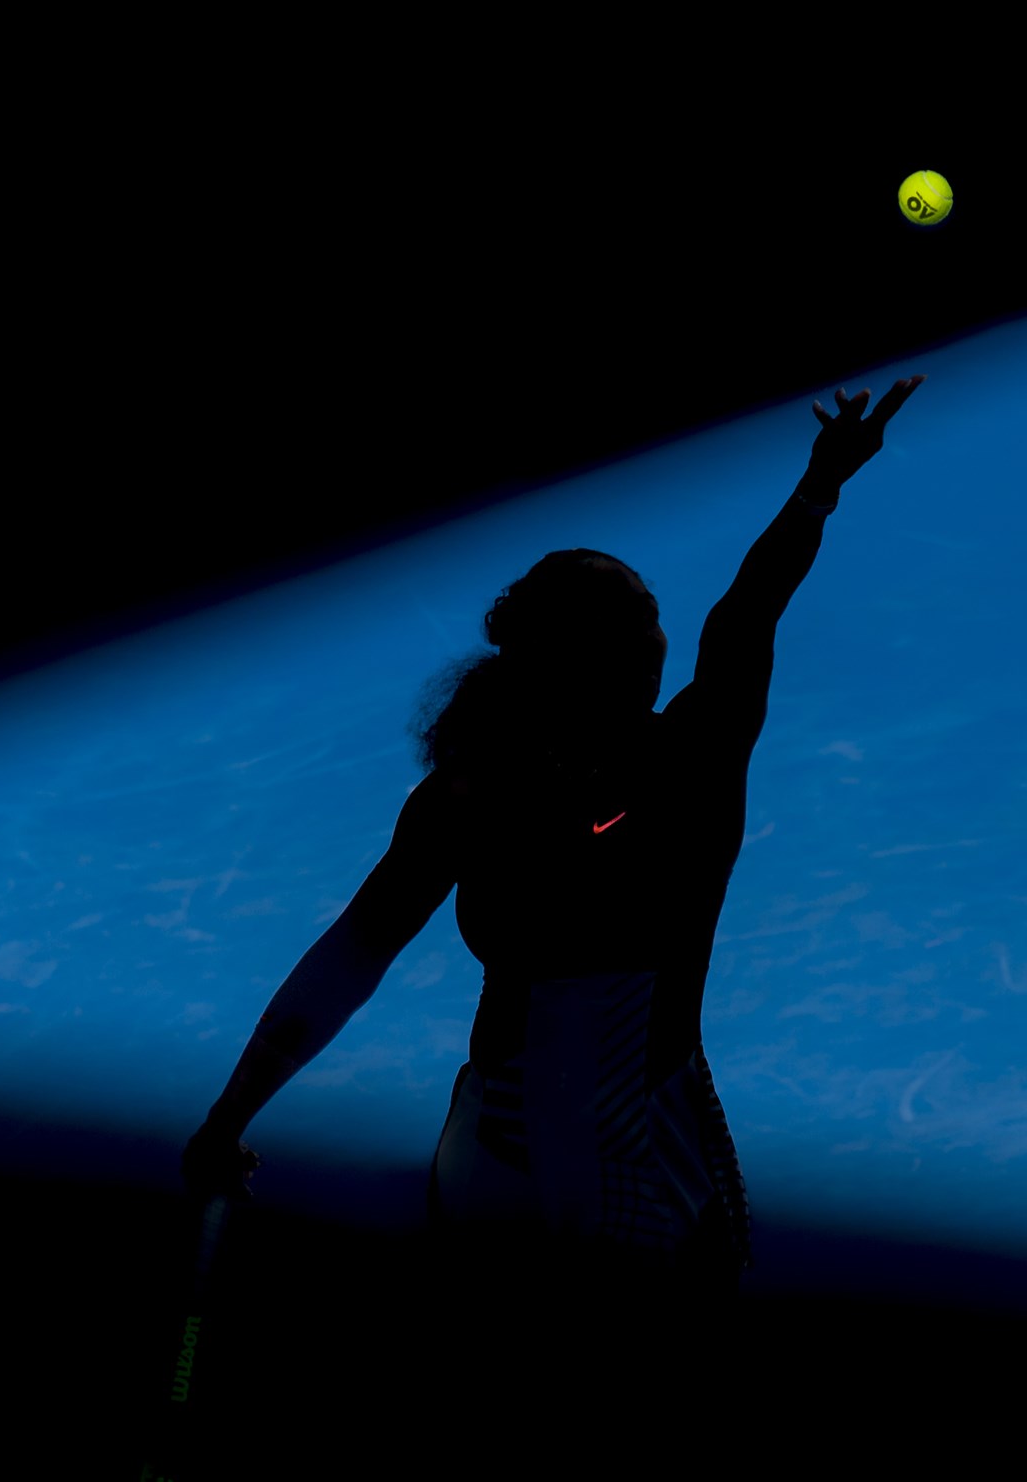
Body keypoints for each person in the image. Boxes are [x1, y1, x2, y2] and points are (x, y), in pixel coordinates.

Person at [180, 375, 924, 1446]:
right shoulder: (686, 761)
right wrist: (820, 486)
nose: (663, 638)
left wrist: (228, 1115)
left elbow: (350, 957)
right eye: (641, 625)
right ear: (612, 658)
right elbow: (748, 611)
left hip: (495, 1157)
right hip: (618, 1169)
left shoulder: (472, 797)